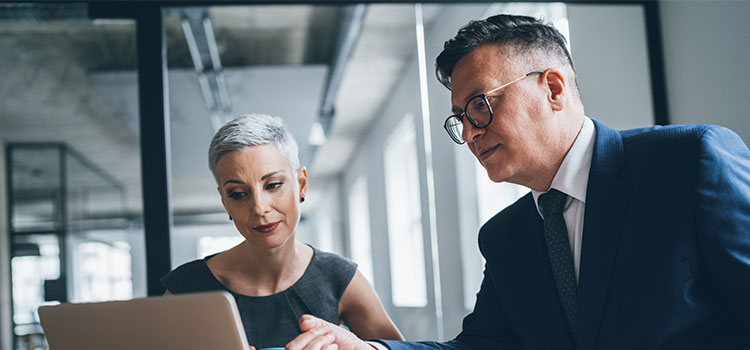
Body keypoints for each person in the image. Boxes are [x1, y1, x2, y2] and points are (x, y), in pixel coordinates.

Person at [285, 14, 750, 350]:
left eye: (480, 105)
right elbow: (482, 345)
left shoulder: (690, 161)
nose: (469, 132)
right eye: (460, 121)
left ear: (552, 88)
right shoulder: (506, 236)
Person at [161, 114, 403, 349]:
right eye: (238, 194)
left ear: (301, 184)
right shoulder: (187, 286)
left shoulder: (339, 278)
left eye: (273, 185)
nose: (259, 208)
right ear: (225, 202)